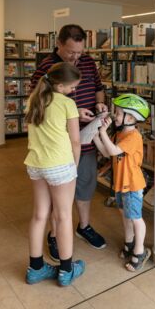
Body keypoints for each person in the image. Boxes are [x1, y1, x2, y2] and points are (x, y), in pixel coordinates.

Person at [31, 24, 107, 261]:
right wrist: (72, 112)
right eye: (71, 52)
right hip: (59, 146)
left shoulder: (88, 62)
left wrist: (99, 105)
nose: (76, 57)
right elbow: (40, 103)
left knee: (86, 184)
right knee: (58, 198)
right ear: (59, 44)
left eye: (79, 52)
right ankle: (55, 235)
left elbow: (98, 88)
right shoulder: (45, 68)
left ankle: (83, 226)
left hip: (85, 137)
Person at [24, 62, 85, 286]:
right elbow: (76, 141)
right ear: (60, 86)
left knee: (40, 215)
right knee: (63, 216)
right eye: (72, 87)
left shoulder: (34, 99)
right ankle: (66, 270)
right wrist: (74, 167)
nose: (74, 91)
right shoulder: (67, 104)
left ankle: (36, 268)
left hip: (36, 164)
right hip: (60, 165)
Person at [93, 93, 151, 271]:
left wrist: (102, 132)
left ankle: (140, 251)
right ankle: (129, 243)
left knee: (135, 218)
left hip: (132, 185)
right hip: (121, 183)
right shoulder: (120, 134)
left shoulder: (133, 137)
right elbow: (105, 151)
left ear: (131, 117)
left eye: (118, 113)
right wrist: (95, 135)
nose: (114, 115)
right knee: (126, 216)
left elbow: (112, 152)